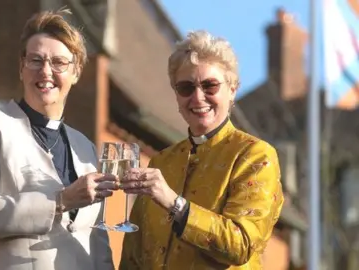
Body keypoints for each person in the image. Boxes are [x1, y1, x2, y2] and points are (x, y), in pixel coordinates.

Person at [0, 9, 116, 270]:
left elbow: (97, 240)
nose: (46, 72)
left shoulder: (85, 147)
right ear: (21, 68)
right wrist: (60, 201)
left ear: (76, 72)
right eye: (36, 60)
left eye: (58, 63)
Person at [119, 30, 284, 269]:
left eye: (210, 86)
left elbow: (242, 245)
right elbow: (133, 256)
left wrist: (175, 204)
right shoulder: (161, 163)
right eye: (186, 88)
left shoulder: (255, 155)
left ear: (233, 89)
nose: (198, 97)